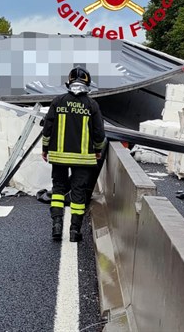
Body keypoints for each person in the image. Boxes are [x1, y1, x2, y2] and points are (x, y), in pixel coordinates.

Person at [41, 67, 106, 242]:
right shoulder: (92, 105)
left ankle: (56, 226)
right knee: (78, 193)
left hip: (59, 157)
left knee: (58, 190)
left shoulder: (58, 101)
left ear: (68, 83)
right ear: (88, 84)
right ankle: (74, 231)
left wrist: (45, 149)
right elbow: (100, 133)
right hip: (83, 159)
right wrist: (98, 151)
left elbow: (47, 128)